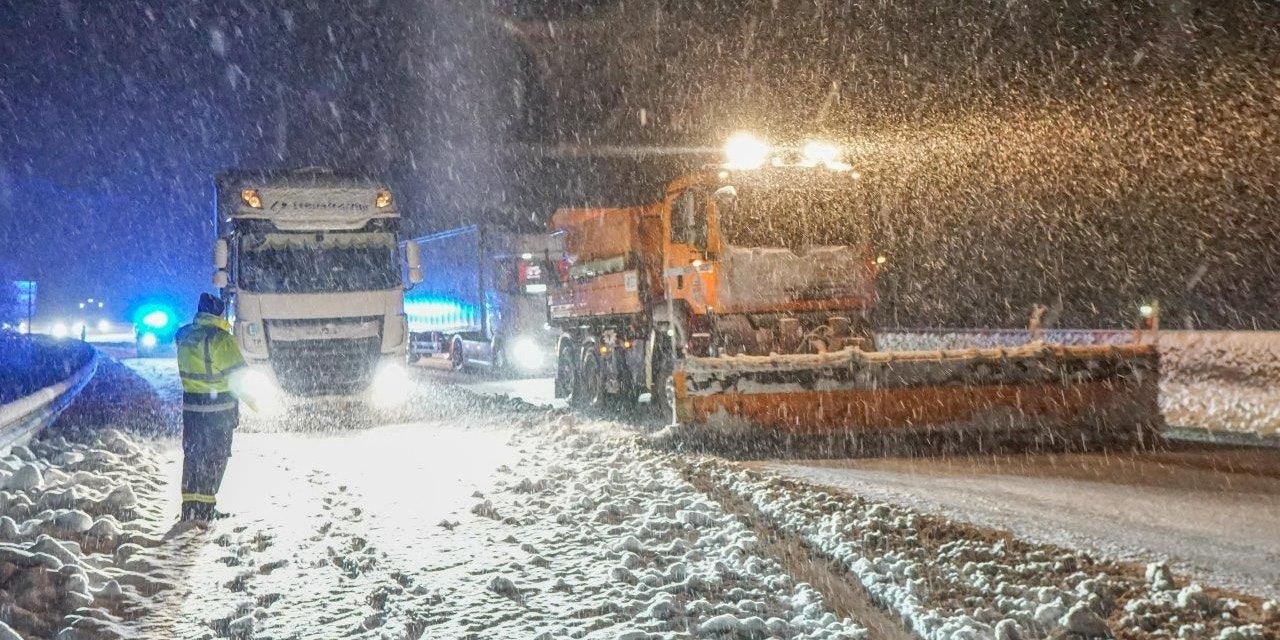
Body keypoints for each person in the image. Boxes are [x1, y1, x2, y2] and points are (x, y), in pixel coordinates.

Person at [175, 293, 246, 522]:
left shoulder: (184, 336)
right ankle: (205, 509)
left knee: (194, 456)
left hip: (192, 408)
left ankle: (190, 508)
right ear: (219, 313)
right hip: (219, 410)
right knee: (215, 457)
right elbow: (239, 377)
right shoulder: (220, 340)